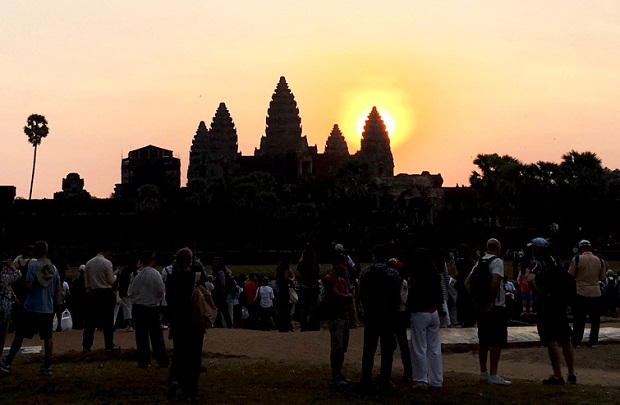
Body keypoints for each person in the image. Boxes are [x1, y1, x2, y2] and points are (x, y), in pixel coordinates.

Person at [0, 241, 60, 375]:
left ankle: (8, 363)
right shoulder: (54, 268)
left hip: (31, 307)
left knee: (19, 335)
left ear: (35, 252)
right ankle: (47, 366)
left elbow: (28, 286)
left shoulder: (33, 267)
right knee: (47, 337)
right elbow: (57, 288)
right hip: (47, 308)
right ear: (46, 252)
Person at [526, 237, 576, 385]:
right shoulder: (554, 261)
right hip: (559, 303)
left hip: (547, 304)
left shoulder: (538, 262)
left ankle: (557, 375)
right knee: (565, 339)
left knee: (550, 339)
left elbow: (530, 279)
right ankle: (571, 373)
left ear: (537, 249)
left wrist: (538, 293)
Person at [465, 238, 511, 386]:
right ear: (498, 249)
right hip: (496, 306)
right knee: (496, 341)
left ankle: (483, 372)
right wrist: (491, 300)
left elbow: (467, 283)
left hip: (480, 306)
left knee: (483, 340)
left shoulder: (479, 262)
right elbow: (496, 281)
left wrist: (476, 300)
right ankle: (493, 373)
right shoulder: (497, 262)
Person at [358, 245, 402, 392]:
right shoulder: (393, 274)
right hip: (387, 315)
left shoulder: (366, 272)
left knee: (369, 348)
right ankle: (385, 378)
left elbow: (361, 293)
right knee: (387, 349)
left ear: (374, 257)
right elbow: (397, 295)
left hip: (371, 314)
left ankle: (366, 378)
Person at [165, 247, 205, 401]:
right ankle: (190, 391)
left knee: (179, 354)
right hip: (193, 322)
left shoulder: (171, 278)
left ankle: (175, 381)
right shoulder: (194, 278)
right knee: (194, 357)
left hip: (178, 321)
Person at [405, 248, 444, 390]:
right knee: (434, 348)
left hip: (420, 313)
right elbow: (440, 295)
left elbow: (412, 296)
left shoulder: (416, 275)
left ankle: (421, 379)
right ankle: (437, 380)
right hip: (434, 313)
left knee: (419, 347)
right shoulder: (435, 274)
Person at [128, 251, 168, 369]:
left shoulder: (136, 274)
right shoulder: (155, 274)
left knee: (141, 336)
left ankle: (144, 361)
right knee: (157, 336)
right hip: (152, 307)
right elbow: (161, 290)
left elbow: (131, 291)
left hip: (139, 307)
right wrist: (156, 300)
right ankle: (162, 359)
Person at [323, 254, 354, 387]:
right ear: (336, 265)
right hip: (335, 315)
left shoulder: (340, 280)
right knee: (337, 347)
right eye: (342, 264)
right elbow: (340, 295)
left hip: (342, 315)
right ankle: (335, 375)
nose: (344, 267)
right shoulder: (330, 279)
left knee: (341, 347)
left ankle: (338, 373)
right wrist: (348, 296)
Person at [569, 240, 606, 348]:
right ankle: (593, 341)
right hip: (596, 292)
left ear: (580, 249)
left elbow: (571, 275)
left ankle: (576, 341)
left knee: (579, 319)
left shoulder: (577, 259)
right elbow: (602, 278)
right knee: (595, 320)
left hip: (580, 292)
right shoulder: (600, 260)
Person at [82, 246, 120, 352]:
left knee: (90, 322)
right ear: (106, 251)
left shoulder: (89, 263)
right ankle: (109, 345)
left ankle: (86, 345)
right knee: (108, 321)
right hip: (106, 293)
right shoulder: (107, 263)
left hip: (94, 293)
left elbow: (87, 282)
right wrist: (116, 275)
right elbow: (111, 280)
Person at [0, 258, 21, 362]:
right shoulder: (4, 278)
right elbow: (18, 274)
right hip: (4, 305)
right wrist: (11, 266)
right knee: (2, 333)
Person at [296, 245, 321, 331]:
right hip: (313, 286)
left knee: (304, 308)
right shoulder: (315, 264)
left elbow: (298, 270)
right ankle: (314, 325)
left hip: (304, 287)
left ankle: (304, 326)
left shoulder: (301, 264)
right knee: (314, 307)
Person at [274, 253, 294, 332]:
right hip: (284, 288)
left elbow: (275, 277)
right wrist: (292, 278)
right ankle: (286, 326)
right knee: (286, 308)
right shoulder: (286, 266)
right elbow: (286, 278)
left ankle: (280, 326)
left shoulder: (278, 267)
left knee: (280, 308)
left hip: (278, 288)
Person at [211, 257, 233, 329]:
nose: (214, 264)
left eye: (216, 262)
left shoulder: (220, 272)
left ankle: (228, 324)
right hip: (221, 293)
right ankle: (221, 324)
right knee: (221, 310)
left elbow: (222, 284)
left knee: (224, 310)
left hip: (221, 293)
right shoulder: (216, 272)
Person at [70, 265, 87, 329]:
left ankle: (78, 325)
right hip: (85, 298)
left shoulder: (76, 279)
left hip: (77, 299)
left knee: (78, 313)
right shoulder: (87, 279)